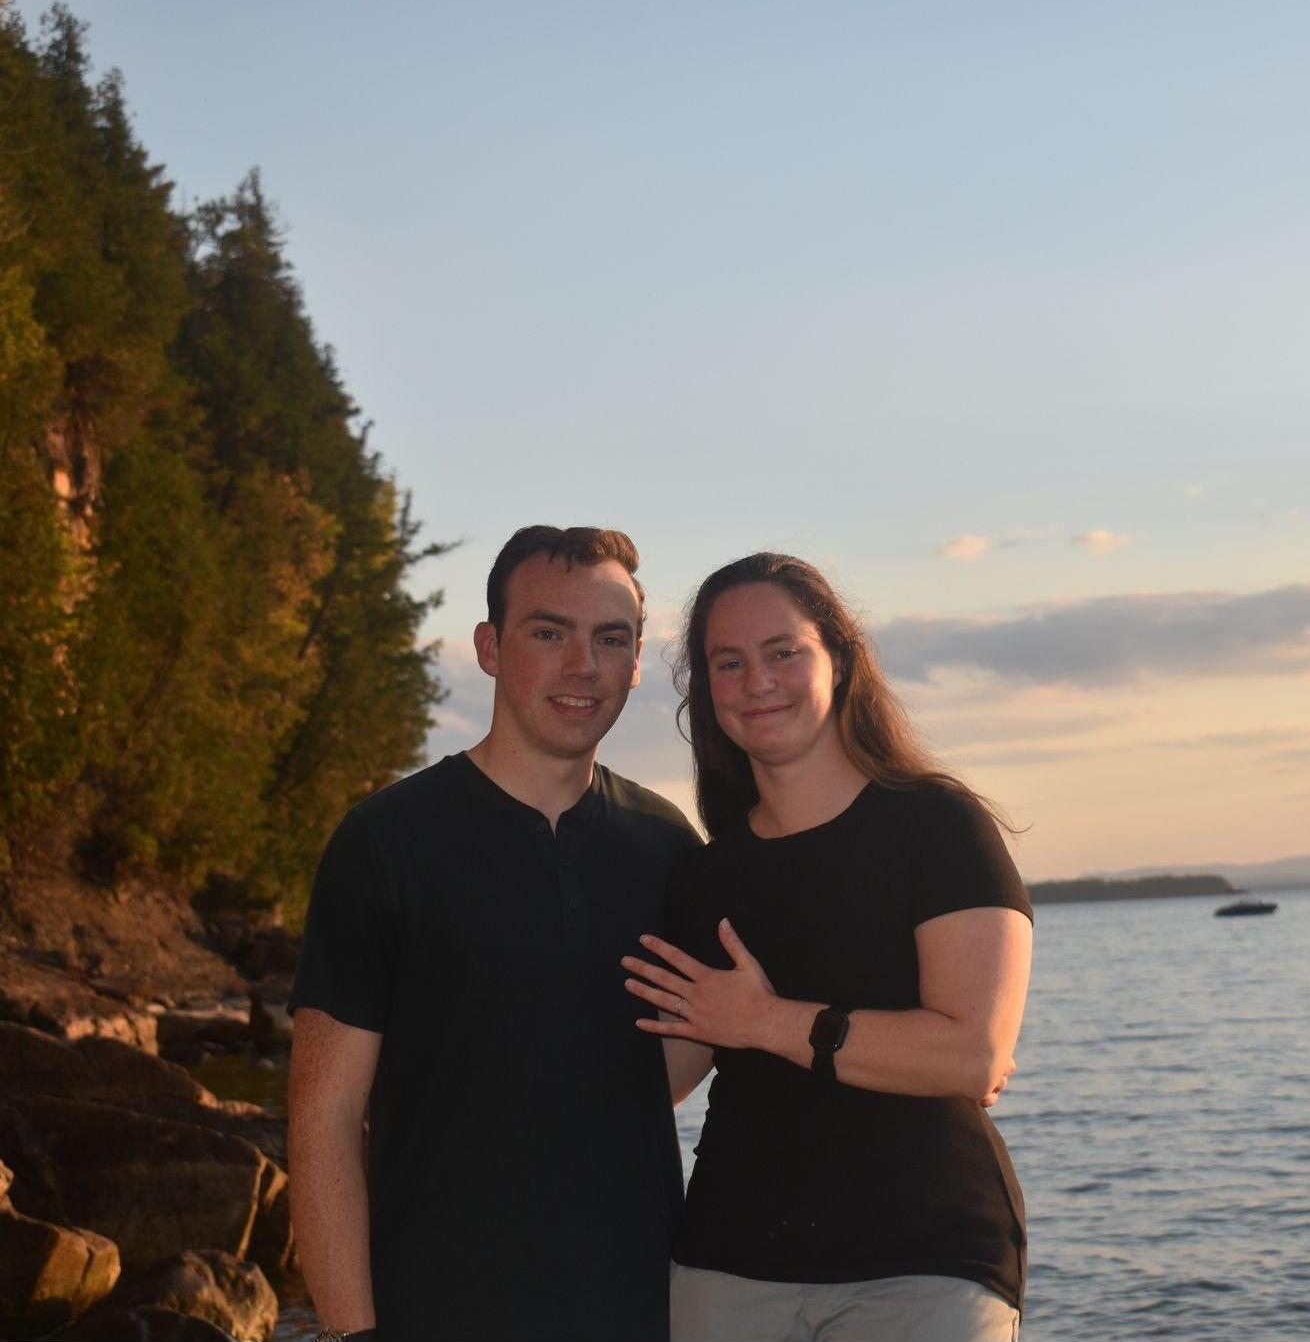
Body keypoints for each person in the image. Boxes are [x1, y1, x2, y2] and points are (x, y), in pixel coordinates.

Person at [287, 525, 701, 1342]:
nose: (582, 665)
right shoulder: (385, 842)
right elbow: (323, 1114)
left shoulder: (667, 848)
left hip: (638, 1308)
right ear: (489, 647)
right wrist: (352, 1332)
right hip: (433, 1307)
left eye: (609, 638)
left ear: (635, 661)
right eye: (549, 633)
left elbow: (677, 1057)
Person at [622, 552, 1033, 1342]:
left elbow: (971, 1055)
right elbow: (658, 1077)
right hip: (729, 1265)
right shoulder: (704, 877)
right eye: (727, 663)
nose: (757, 681)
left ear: (838, 661)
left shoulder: (936, 827)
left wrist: (766, 1021)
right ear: (705, 691)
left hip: (922, 1265)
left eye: (783, 652)